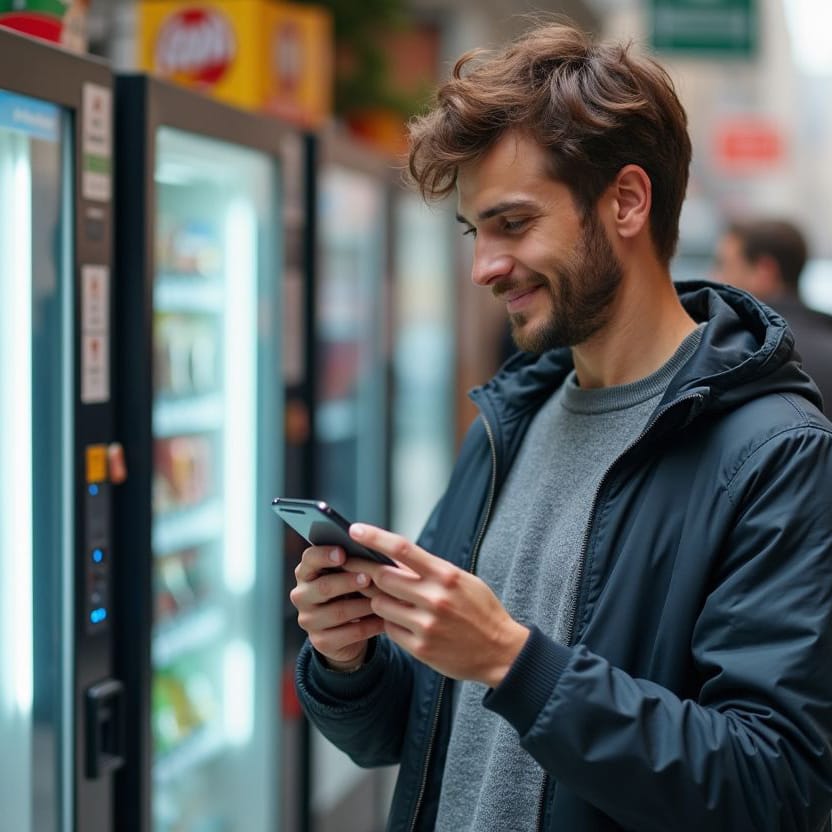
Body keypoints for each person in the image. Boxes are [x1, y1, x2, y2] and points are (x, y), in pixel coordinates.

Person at [290, 21, 832, 832]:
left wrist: (513, 660)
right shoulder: (511, 422)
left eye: (513, 223)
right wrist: (349, 657)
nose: (484, 268)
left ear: (625, 200)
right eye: (477, 233)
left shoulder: (775, 453)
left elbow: (774, 786)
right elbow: (409, 731)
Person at [714, 218, 832, 409]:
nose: (716, 277)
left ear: (764, 271)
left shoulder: (736, 353)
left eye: (725, 265)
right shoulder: (826, 340)